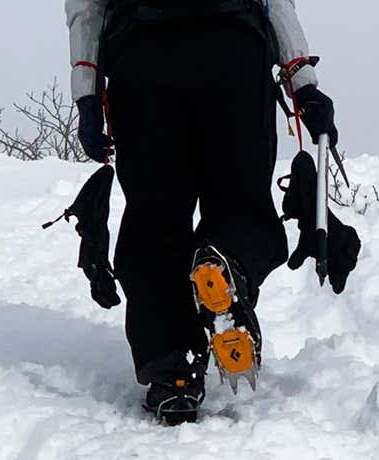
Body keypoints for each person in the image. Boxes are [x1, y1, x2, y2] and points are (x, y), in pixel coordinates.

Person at [65, 0, 338, 424]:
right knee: (240, 199)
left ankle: (172, 372)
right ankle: (227, 262)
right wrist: (302, 80)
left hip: (140, 59)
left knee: (155, 216)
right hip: (234, 51)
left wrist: (86, 95)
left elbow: (86, 9)